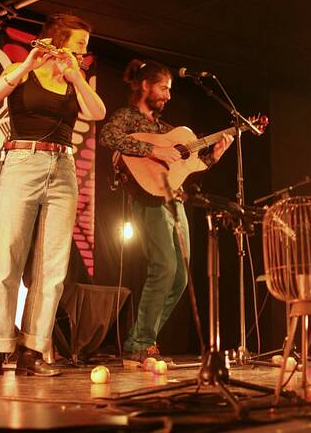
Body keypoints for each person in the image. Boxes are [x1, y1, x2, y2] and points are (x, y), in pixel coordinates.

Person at [0, 13, 106, 377]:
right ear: (58, 41)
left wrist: (76, 76)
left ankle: (32, 350)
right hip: (22, 162)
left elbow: (98, 112)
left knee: (51, 267)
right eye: (79, 45)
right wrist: (28, 63)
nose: (83, 53)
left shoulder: (74, 80)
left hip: (63, 169)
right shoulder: (23, 70)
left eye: (85, 48)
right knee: (7, 257)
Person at [100, 59, 233, 364]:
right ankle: (141, 344)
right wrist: (154, 150)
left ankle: (141, 340)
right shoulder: (127, 117)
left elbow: (187, 166)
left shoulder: (168, 130)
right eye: (163, 88)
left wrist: (214, 156)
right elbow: (109, 136)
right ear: (145, 85)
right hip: (147, 197)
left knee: (180, 277)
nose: (168, 96)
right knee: (164, 267)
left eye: (170, 90)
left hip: (175, 200)